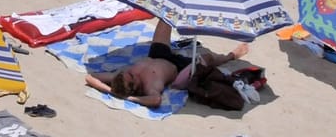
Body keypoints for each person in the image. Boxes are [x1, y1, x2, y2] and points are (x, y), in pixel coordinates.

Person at [84, 20, 250, 110]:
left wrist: (112, 91)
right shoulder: (150, 87)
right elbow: (156, 100)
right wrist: (131, 98)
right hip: (177, 68)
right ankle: (231, 56)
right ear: (134, 86)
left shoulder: (118, 77)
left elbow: (90, 77)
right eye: (132, 76)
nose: (130, 72)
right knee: (206, 58)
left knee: (165, 19)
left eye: (128, 73)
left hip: (158, 55)